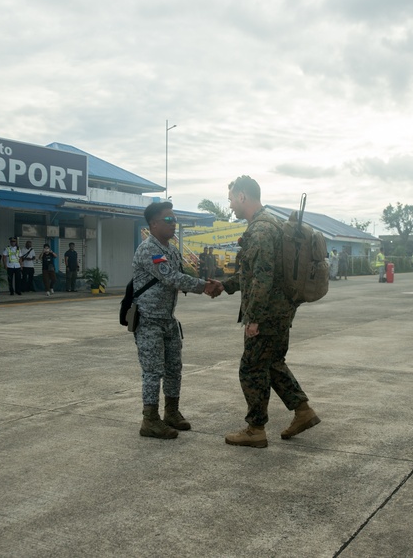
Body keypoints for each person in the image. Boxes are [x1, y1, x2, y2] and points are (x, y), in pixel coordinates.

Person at [220, 175, 320, 448]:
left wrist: (253, 319)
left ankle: (255, 429)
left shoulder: (260, 230)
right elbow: (253, 273)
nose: (230, 206)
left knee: (251, 369)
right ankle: (303, 411)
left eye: (231, 199)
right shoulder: (271, 225)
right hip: (279, 313)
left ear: (242, 197)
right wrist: (224, 286)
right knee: (273, 364)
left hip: (266, 316)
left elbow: (261, 279)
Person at [132, 201, 222, 439]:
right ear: (153, 224)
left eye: (175, 220)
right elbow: (170, 277)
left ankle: (171, 412)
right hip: (149, 319)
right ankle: (149, 420)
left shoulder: (170, 250)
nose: (174, 224)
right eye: (168, 220)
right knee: (153, 371)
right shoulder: (149, 249)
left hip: (168, 319)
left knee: (174, 368)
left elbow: (181, 275)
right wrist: (204, 287)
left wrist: (204, 282)